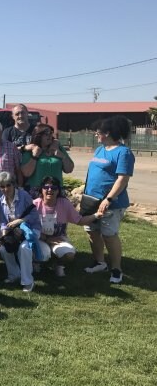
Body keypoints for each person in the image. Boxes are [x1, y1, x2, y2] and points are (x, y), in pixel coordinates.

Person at [83, 115, 135, 284]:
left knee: (109, 235)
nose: (96, 134)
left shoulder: (123, 152)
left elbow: (122, 179)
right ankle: (99, 262)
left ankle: (116, 268)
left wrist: (109, 199)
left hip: (111, 203)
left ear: (108, 133)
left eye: (98, 132)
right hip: (91, 200)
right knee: (91, 231)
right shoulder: (100, 149)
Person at [34, 176, 102, 277]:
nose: (50, 190)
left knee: (69, 255)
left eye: (54, 188)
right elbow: (29, 228)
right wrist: (47, 239)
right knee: (42, 255)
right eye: (46, 187)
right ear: (41, 189)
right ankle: (37, 262)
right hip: (40, 239)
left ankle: (57, 264)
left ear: (58, 190)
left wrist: (97, 215)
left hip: (59, 239)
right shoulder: (35, 204)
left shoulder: (64, 203)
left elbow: (79, 221)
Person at [0, 171, 44, 292]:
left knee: (24, 248)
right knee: (3, 248)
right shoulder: (0, 202)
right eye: (2, 186)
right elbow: (3, 222)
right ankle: (14, 274)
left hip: (31, 229)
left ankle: (28, 281)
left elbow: (34, 214)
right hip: (15, 232)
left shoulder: (24, 195)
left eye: (8, 185)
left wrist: (20, 221)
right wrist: (4, 235)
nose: (5, 189)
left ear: (13, 184)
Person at [21, 123, 74, 197]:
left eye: (51, 133)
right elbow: (26, 173)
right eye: (46, 133)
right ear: (38, 136)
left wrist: (62, 156)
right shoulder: (31, 150)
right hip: (37, 191)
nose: (50, 135)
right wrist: (34, 157)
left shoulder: (58, 147)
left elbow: (69, 169)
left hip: (56, 190)